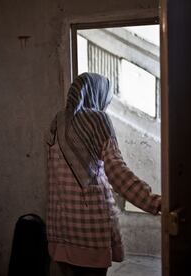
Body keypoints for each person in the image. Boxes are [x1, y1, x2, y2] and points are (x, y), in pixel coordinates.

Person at [46, 72, 161, 276]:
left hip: (60, 228)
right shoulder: (98, 120)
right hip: (90, 232)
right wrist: (153, 202)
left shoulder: (57, 120)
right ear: (97, 94)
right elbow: (117, 173)